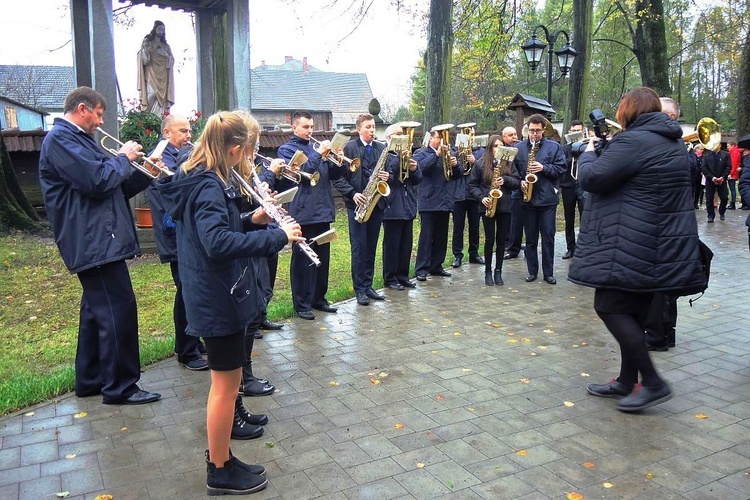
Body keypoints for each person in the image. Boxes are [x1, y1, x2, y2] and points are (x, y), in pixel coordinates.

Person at [158, 111, 304, 495]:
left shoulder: (201, 177)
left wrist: (251, 218)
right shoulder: (206, 184)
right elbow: (216, 244)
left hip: (217, 292)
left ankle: (222, 457)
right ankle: (219, 469)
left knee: (230, 379)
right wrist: (277, 238)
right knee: (224, 387)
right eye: (247, 152)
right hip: (215, 298)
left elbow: (218, 228)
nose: (247, 161)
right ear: (235, 148)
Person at [569, 87, 705, 412]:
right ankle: (626, 381)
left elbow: (592, 178)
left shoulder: (633, 142)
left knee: (610, 307)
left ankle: (654, 382)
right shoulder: (670, 141)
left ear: (629, 111)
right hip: (656, 244)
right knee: (631, 311)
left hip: (631, 242)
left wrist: (588, 153)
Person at [39, 86, 161, 405]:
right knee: (117, 311)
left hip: (96, 240)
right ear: (83, 109)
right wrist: (122, 158)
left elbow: (113, 188)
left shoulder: (77, 141)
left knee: (96, 313)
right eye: (99, 114)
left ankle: (90, 379)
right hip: (94, 243)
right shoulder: (62, 140)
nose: (100, 121)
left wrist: (145, 172)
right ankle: (121, 387)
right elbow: (98, 182)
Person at [145, 114, 208, 371]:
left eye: (190, 130)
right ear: (167, 132)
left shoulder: (179, 154)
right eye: (183, 130)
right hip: (175, 236)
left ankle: (193, 340)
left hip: (181, 234)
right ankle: (186, 351)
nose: (189, 135)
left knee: (191, 290)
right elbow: (172, 197)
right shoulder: (160, 158)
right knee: (185, 293)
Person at [278, 111, 342, 320]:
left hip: (323, 210)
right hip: (303, 212)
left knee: (322, 258)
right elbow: (301, 173)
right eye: (306, 127)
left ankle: (319, 299)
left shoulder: (317, 149)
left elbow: (333, 175)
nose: (310, 131)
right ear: (294, 128)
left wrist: (336, 160)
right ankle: (302, 304)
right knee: (303, 260)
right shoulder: (287, 149)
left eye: (312, 127)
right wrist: (320, 154)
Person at [333, 113, 389, 305]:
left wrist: (385, 176)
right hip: (356, 205)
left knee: (371, 247)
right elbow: (337, 178)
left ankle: (368, 285)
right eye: (368, 127)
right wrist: (352, 194)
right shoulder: (349, 148)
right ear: (359, 129)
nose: (372, 130)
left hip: (376, 204)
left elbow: (386, 174)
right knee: (359, 248)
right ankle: (359, 290)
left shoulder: (382, 148)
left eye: (373, 127)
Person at [514, 114, 566, 284]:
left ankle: (548, 273)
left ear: (543, 130)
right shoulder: (520, 148)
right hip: (527, 199)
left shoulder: (554, 147)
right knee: (530, 238)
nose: (534, 134)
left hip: (547, 199)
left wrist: (543, 168)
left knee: (548, 238)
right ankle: (532, 271)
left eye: (537, 131)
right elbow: (513, 172)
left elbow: (561, 169)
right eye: (531, 131)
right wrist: (519, 182)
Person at [468, 135, 520, 286]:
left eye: (500, 146)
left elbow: (517, 182)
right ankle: (488, 272)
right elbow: (472, 185)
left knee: (501, 240)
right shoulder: (480, 164)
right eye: (495, 146)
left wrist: (505, 180)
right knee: (490, 240)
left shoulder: (509, 163)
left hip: (505, 205)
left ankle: (498, 271)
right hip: (488, 205)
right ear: (490, 148)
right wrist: (481, 198)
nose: (498, 149)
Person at [413, 128, 460, 281]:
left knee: (441, 236)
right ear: (431, 139)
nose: (442, 140)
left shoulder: (449, 153)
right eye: (439, 137)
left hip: (445, 200)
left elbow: (456, 176)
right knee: (426, 236)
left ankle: (436, 266)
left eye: (444, 137)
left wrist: (455, 165)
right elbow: (422, 169)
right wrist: (437, 155)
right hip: (429, 200)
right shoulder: (421, 153)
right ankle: (421, 269)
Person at [381, 123, 421, 290]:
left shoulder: (406, 154)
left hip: (407, 206)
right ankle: (390, 278)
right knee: (392, 245)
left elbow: (417, 180)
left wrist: (414, 168)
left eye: (402, 133)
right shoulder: (384, 155)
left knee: (406, 245)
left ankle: (403, 276)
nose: (402, 136)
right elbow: (390, 174)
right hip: (392, 206)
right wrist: (401, 159)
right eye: (397, 134)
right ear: (389, 138)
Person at [451, 131, 484, 268]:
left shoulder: (481, 151)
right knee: (458, 227)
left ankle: (474, 253)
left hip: (474, 194)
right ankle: (457, 255)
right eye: (466, 134)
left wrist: (475, 162)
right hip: (458, 193)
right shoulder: (454, 150)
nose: (470, 137)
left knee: (474, 226)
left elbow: (485, 169)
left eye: (472, 134)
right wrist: (458, 158)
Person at [137, 20, 175, 115]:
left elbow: (171, 62)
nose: (160, 31)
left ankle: (159, 119)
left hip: (163, 76)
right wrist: (145, 49)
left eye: (162, 29)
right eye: (159, 28)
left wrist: (166, 55)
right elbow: (144, 60)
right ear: (154, 29)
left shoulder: (166, 47)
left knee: (162, 100)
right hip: (151, 73)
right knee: (152, 94)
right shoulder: (148, 43)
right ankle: (147, 116)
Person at [561, 120, 586, 259]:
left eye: (579, 130)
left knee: (585, 217)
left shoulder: (587, 146)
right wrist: (572, 157)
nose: (576, 132)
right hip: (567, 185)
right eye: (573, 130)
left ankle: (583, 248)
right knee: (568, 218)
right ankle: (570, 248)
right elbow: (561, 164)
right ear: (569, 132)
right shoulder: (564, 148)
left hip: (582, 185)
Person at [502, 126, 524, 260]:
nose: (514, 137)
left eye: (515, 134)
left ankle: (522, 245)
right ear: (504, 137)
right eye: (510, 135)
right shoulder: (503, 150)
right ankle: (511, 247)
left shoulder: (521, 148)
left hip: (521, 185)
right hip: (508, 188)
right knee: (514, 221)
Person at [700, 144, 730, 222]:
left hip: (722, 180)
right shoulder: (706, 155)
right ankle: (710, 216)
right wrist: (712, 177)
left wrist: (723, 177)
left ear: (719, 145)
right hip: (710, 180)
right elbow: (704, 168)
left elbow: (728, 167)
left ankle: (722, 212)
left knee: (724, 197)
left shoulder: (726, 155)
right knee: (709, 199)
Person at [728, 140, 741, 209]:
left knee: (732, 189)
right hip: (734, 173)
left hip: (733, 173)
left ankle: (733, 203)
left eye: (728, 146)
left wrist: (730, 174)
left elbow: (734, 164)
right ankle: (732, 203)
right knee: (732, 188)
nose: (727, 147)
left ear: (732, 145)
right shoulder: (735, 152)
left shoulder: (734, 153)